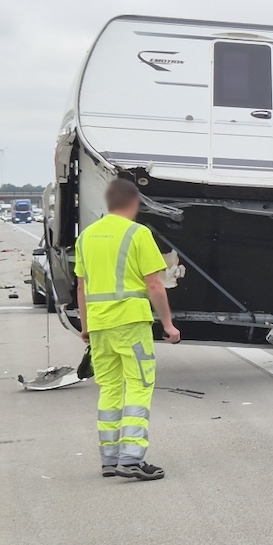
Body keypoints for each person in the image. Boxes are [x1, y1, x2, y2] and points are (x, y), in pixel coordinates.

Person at [75, 179, 180, 480]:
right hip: (131, 323)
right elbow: (154, 284)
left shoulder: (86, 237)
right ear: (134, 203)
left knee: (109, 389)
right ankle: (132, 459)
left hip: (99, 326)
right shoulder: (138, 233)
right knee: (138, 386)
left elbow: (81, 288)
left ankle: (109, 459)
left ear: (109, 203)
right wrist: (168, 324)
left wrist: (86, 327)